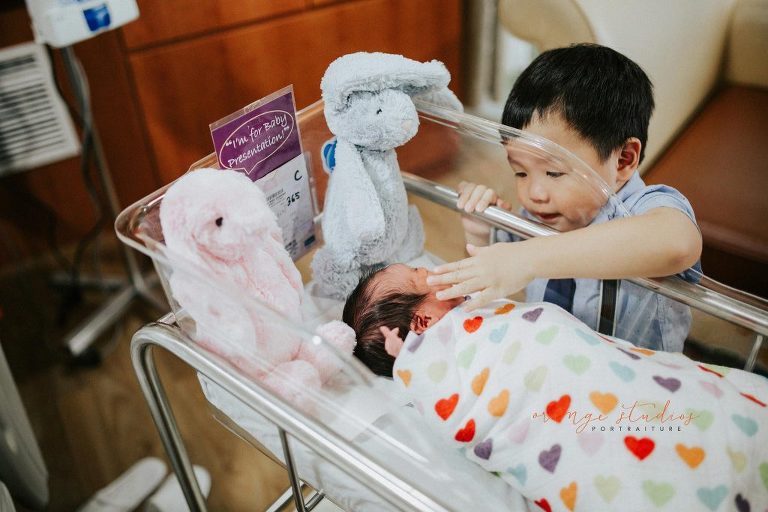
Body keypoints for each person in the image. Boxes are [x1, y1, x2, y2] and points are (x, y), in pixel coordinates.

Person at [343, 263, 768, 511]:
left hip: (607, 383)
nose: (432, 270)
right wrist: (414, 362)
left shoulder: (476, 315)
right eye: (420, 276)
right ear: (422, 323)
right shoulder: (435, 371)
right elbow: (452, 406)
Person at [427, 43, 702, 352]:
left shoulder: (645, 209)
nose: (534, 194)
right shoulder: (535, 219)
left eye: (554, 173)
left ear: (624, 159)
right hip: (555, 363)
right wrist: (480, 231)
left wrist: (527, 258)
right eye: (520, 173)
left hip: (636, 374)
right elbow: (489, 289)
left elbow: (678, 243)